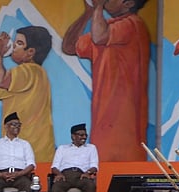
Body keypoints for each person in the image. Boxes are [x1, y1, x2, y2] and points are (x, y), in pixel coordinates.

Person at [63, 0, 150, 162]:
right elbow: (69, 46)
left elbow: (99, 37)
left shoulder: (132, 24)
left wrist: (97, 7)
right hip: (103, 122)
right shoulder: (108, 26)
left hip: (123, 127)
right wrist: (88, 13)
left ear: (128, 4)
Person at [0, 25, 55, 162]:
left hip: (35, 155)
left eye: (19, 43)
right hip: (15, 154)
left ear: (30, 52)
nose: (13, 46)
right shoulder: (19, 83)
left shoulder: (31, 70)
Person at [0, 112, 36, 192]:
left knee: (27, 185)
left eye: (19, 125)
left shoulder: (25, 144)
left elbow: (31, 164)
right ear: (6, 126)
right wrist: (0, 175)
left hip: (20, 175)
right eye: (14, 124)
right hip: (1, 175)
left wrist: (18, 174)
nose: (17, 127)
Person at [50, 123, 99, 192]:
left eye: (85, 135)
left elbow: (94, 166)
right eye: (81, 135)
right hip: (65, 176)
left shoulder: (91, 148)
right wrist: (58, 174)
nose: (84, 137)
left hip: (81, 175)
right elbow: (54, 167)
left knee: (91, 186)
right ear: (73, 136)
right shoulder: (62, 148)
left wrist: (88, 172)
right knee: (55, 190)